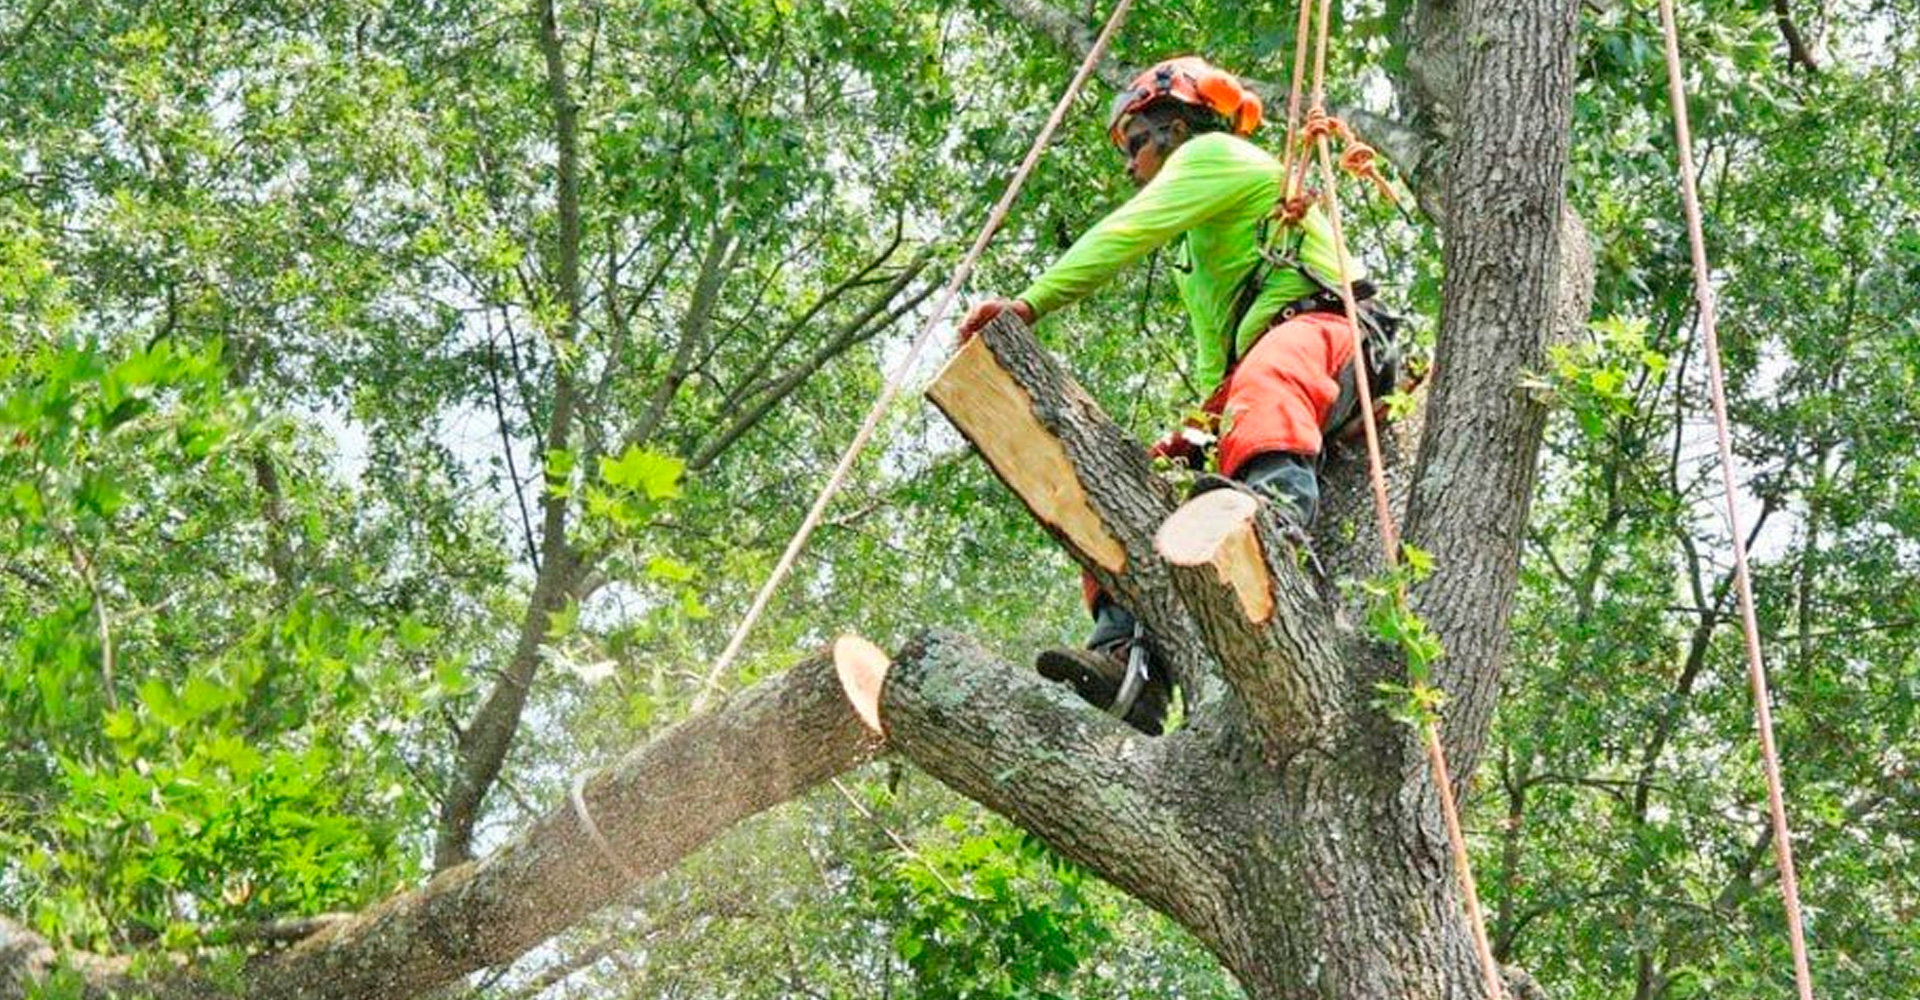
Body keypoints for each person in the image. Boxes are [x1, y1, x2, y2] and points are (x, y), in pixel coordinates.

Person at [958, 56, 1392, 735]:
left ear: (1177, 128)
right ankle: (1128, 658)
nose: (1130, 167)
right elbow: (1218, 356)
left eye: (1136, 144)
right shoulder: (1201, 241)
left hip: (1331, 333)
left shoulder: (1215, 154)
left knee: (1264, 384)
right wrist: (1199, 438)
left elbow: (1122, 235)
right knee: (1155, 468)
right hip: (1265, 357)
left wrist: (1029, 305)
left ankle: (1274, 537)